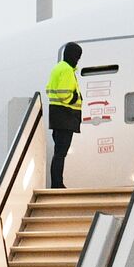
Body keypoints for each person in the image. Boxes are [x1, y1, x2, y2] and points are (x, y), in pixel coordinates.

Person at [45, 41, 83, 188]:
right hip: (65, 116)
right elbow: (63, 92)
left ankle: (57, 182)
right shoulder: (67, 70)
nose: (78, 59)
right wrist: (73, 99)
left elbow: (49, 89)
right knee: (61, 153)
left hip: (56, 116)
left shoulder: (57, 68)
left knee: (58, 152)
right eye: (78, 56)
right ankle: (57, 183)